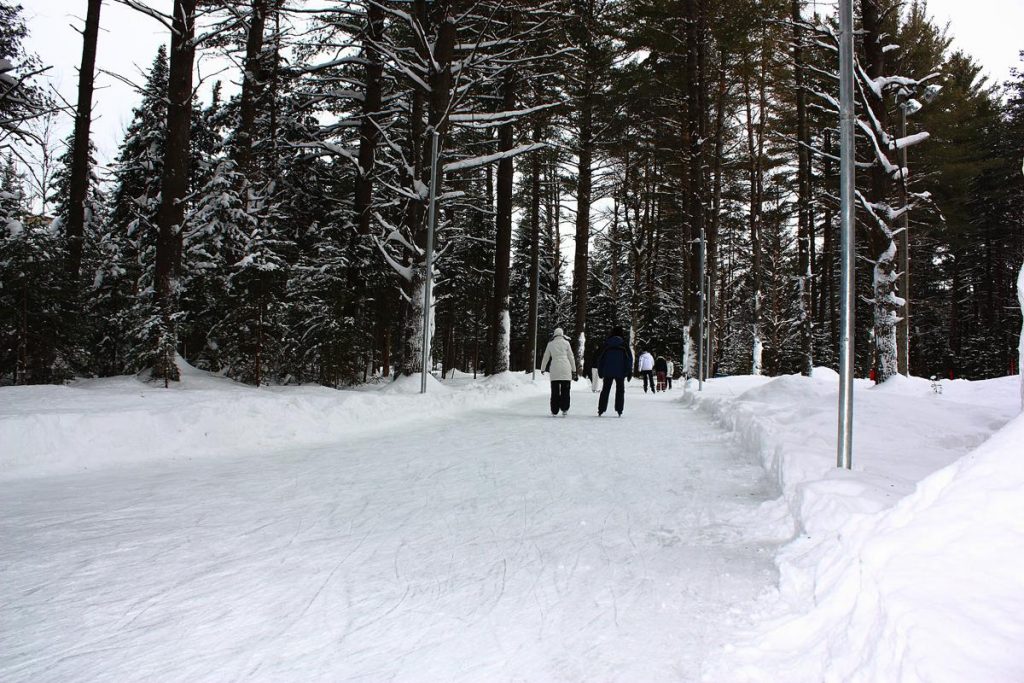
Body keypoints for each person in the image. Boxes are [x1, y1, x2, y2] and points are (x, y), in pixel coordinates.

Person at [596, 326, 633, 417]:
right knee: (620, 390)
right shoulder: (624, 345)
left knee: (605, 390)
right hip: (620, 371)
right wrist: (629, 372)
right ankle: (619, 409)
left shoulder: (607, 344)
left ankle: (601, 409)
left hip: (608, 371)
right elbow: (629, 359)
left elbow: (600, 358)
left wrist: (600, 370)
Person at [541, 327, 577, 416]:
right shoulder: (566, 343)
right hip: (566, 368)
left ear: (554, 334)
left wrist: (543, 368)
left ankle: (554, 410)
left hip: (555, 369)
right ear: (562, 334)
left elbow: (546, 357)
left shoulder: (550, 344)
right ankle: (564, 408)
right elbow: (571, 357)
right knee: (566, 390)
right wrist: (574, 370)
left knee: (555, 391)